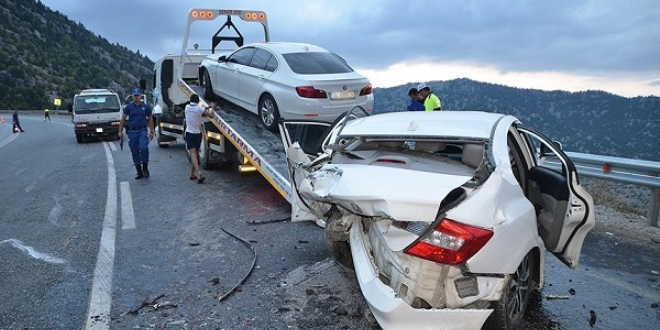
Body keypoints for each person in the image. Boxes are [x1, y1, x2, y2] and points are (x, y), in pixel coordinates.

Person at [118, 88, 154, 180]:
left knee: (144, 148)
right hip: (132, 132)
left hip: (142, 130)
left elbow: (150, 118)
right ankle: (139, 171)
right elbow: (123, 119)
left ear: (140, 96)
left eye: (138, 95)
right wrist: (120, 131)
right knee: (135, 151)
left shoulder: (145, 107)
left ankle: (145, 168)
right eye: (135, 95)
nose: (136, 97)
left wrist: (152, 131)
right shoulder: (129, 107)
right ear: (132, 96)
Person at [185, 94, 215, 184]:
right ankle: (193, 174)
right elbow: (211, 115)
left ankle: (198, 173)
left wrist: (208, 107)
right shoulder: (199, 109)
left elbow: (201, 110)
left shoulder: (187, 107)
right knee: (195, 154)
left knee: (194, 154)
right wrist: (212, 108)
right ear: (198, 102)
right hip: (197, 134)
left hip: (189, 133)